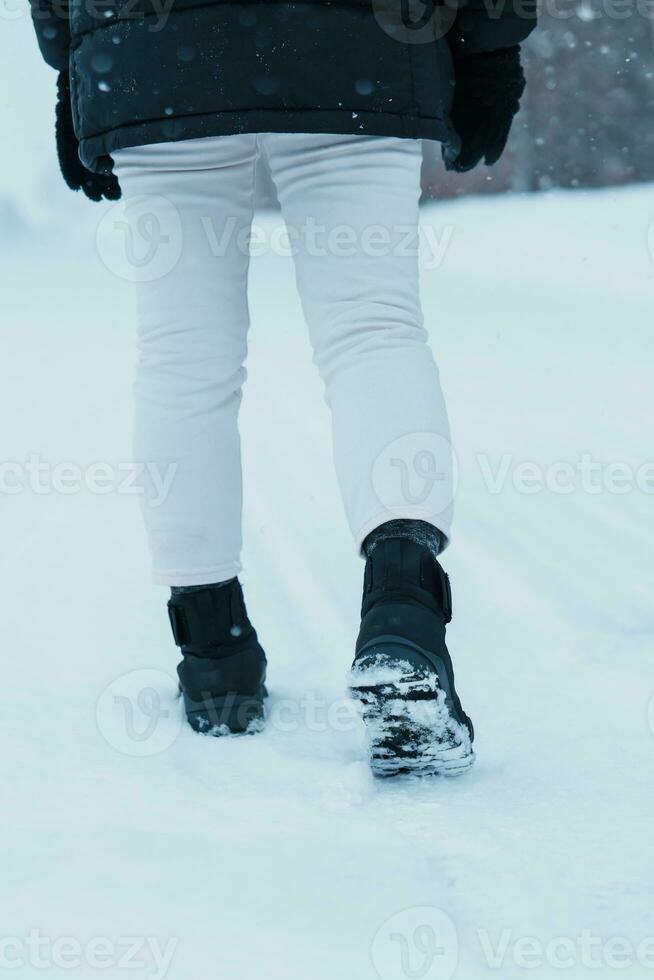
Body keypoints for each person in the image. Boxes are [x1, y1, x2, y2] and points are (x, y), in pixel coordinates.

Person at [31, 0, 536, 776]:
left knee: (183, 353)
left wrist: (72, 56)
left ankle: (214, 657)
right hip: (359, 38)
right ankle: (402, 618)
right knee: (374, 331)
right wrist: (490, 50)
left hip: (150, 44)